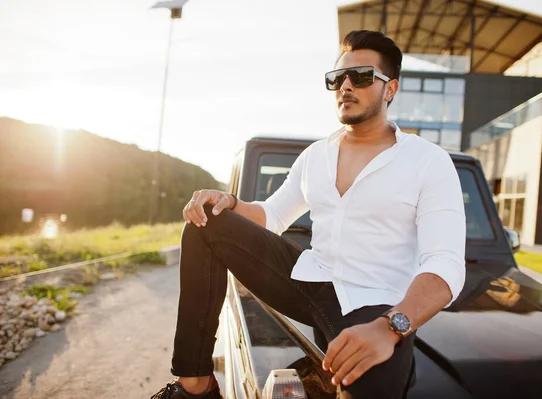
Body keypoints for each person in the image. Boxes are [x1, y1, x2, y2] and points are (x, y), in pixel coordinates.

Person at [151, 29, 466, 399]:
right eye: (337, 79)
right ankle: (195, 385)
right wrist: (231, 204)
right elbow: (273, 216)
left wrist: (391, 328)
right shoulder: (316, 155)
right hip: (307, 278)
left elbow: (445, 266)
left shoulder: (428, 161)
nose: (345, 86)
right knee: (206, 219)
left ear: (390, 89)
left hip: (375, 304)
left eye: (361, 76)